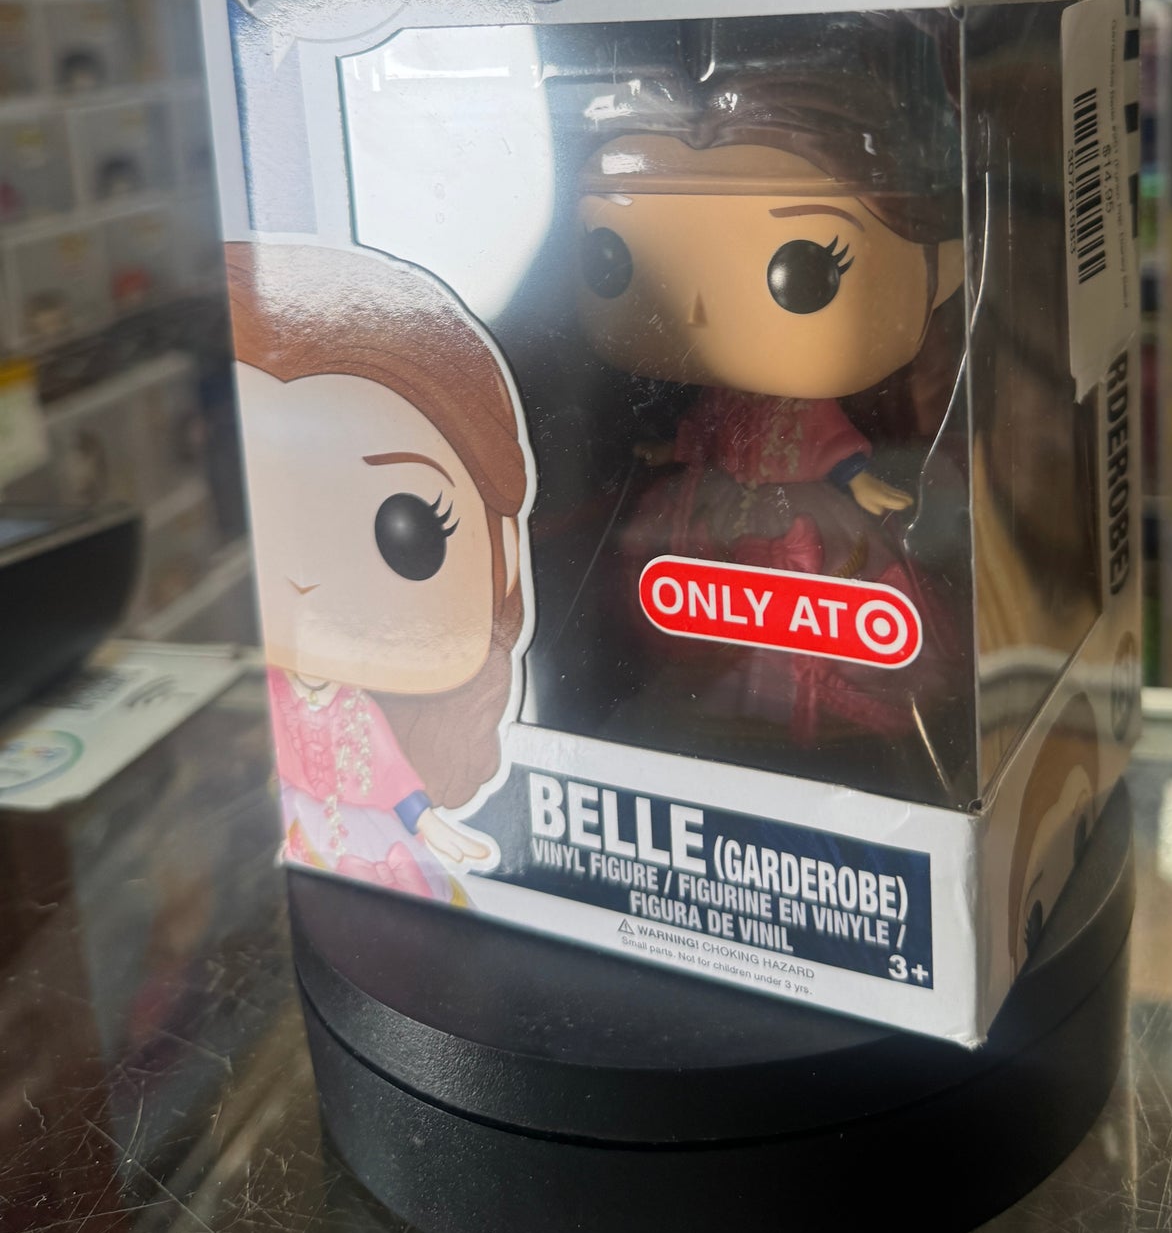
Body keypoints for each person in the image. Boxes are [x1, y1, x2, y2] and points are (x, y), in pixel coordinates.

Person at [573, 54, 964, 754]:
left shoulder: (804, 403)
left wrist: (857, 478)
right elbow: (707, 430)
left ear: (950, 265)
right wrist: (672, 449)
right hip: (712, 506)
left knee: (801, 604)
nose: (696, 309)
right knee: (693, 602)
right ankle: (716, 693)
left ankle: (798, 706)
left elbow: (829, 440)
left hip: (796, 519)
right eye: (613, 253)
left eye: (804, 270)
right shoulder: (724, 395)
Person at [228, 240, 534, 901]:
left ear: (506, 554)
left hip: (360, 839)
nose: (305, 577)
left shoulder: (355, 710)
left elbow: (394, 778)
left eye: (410, 532)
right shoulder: (265, 693)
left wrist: (429, 823)